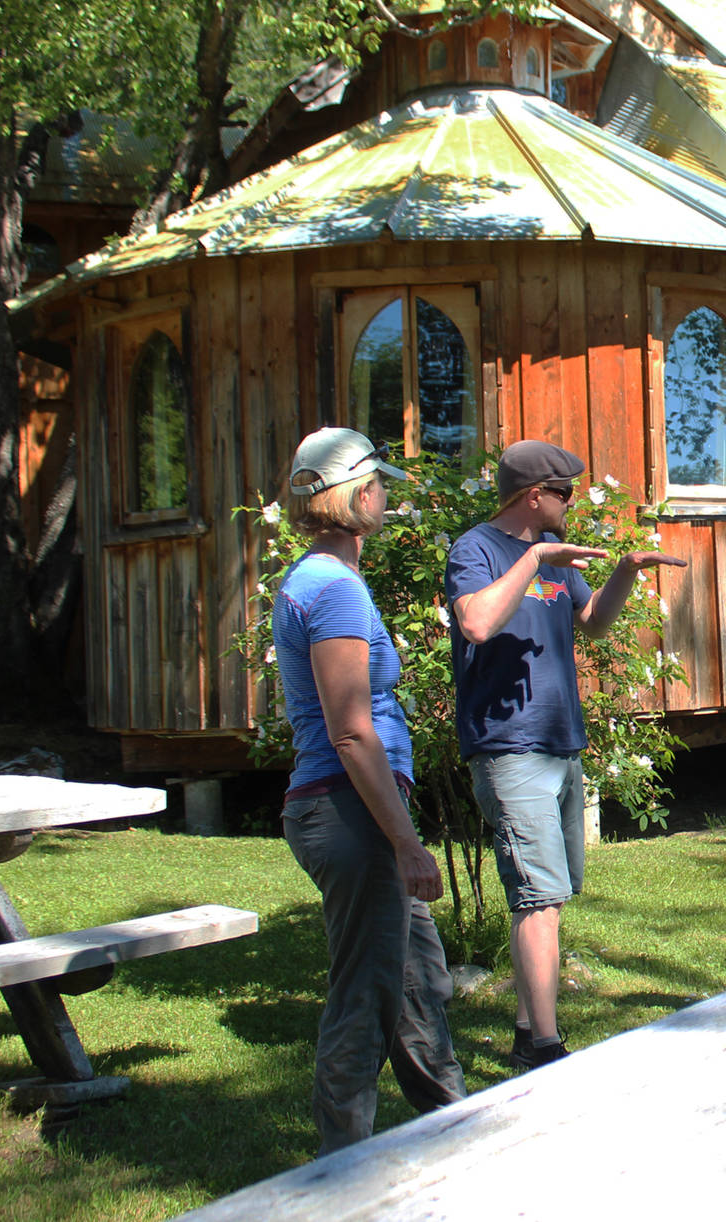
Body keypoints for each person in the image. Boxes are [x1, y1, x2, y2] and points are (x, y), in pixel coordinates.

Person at [446, 440, 685, 1070]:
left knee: (555, 890)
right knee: (538, 896)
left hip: (560, 742)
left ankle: (529, 1028)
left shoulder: (555, 557)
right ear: (534, 496)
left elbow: (593, 622)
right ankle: (546, 1049)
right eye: (564, 493)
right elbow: (475, 623)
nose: (571, 503)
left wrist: (627, 571)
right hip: (508, 745)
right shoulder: (476, 549)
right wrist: (534, 560)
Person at [273, 426, 467, 1154]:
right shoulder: (331, 589)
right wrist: (407, 844)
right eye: (379, 483)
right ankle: (336, 1175)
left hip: (353, 809)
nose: (386, 494)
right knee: (366, 996)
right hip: (351, 813)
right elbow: (352, 732)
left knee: (419, 985)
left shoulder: (322, 580)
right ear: (357, 495)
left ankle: (456, 1135)